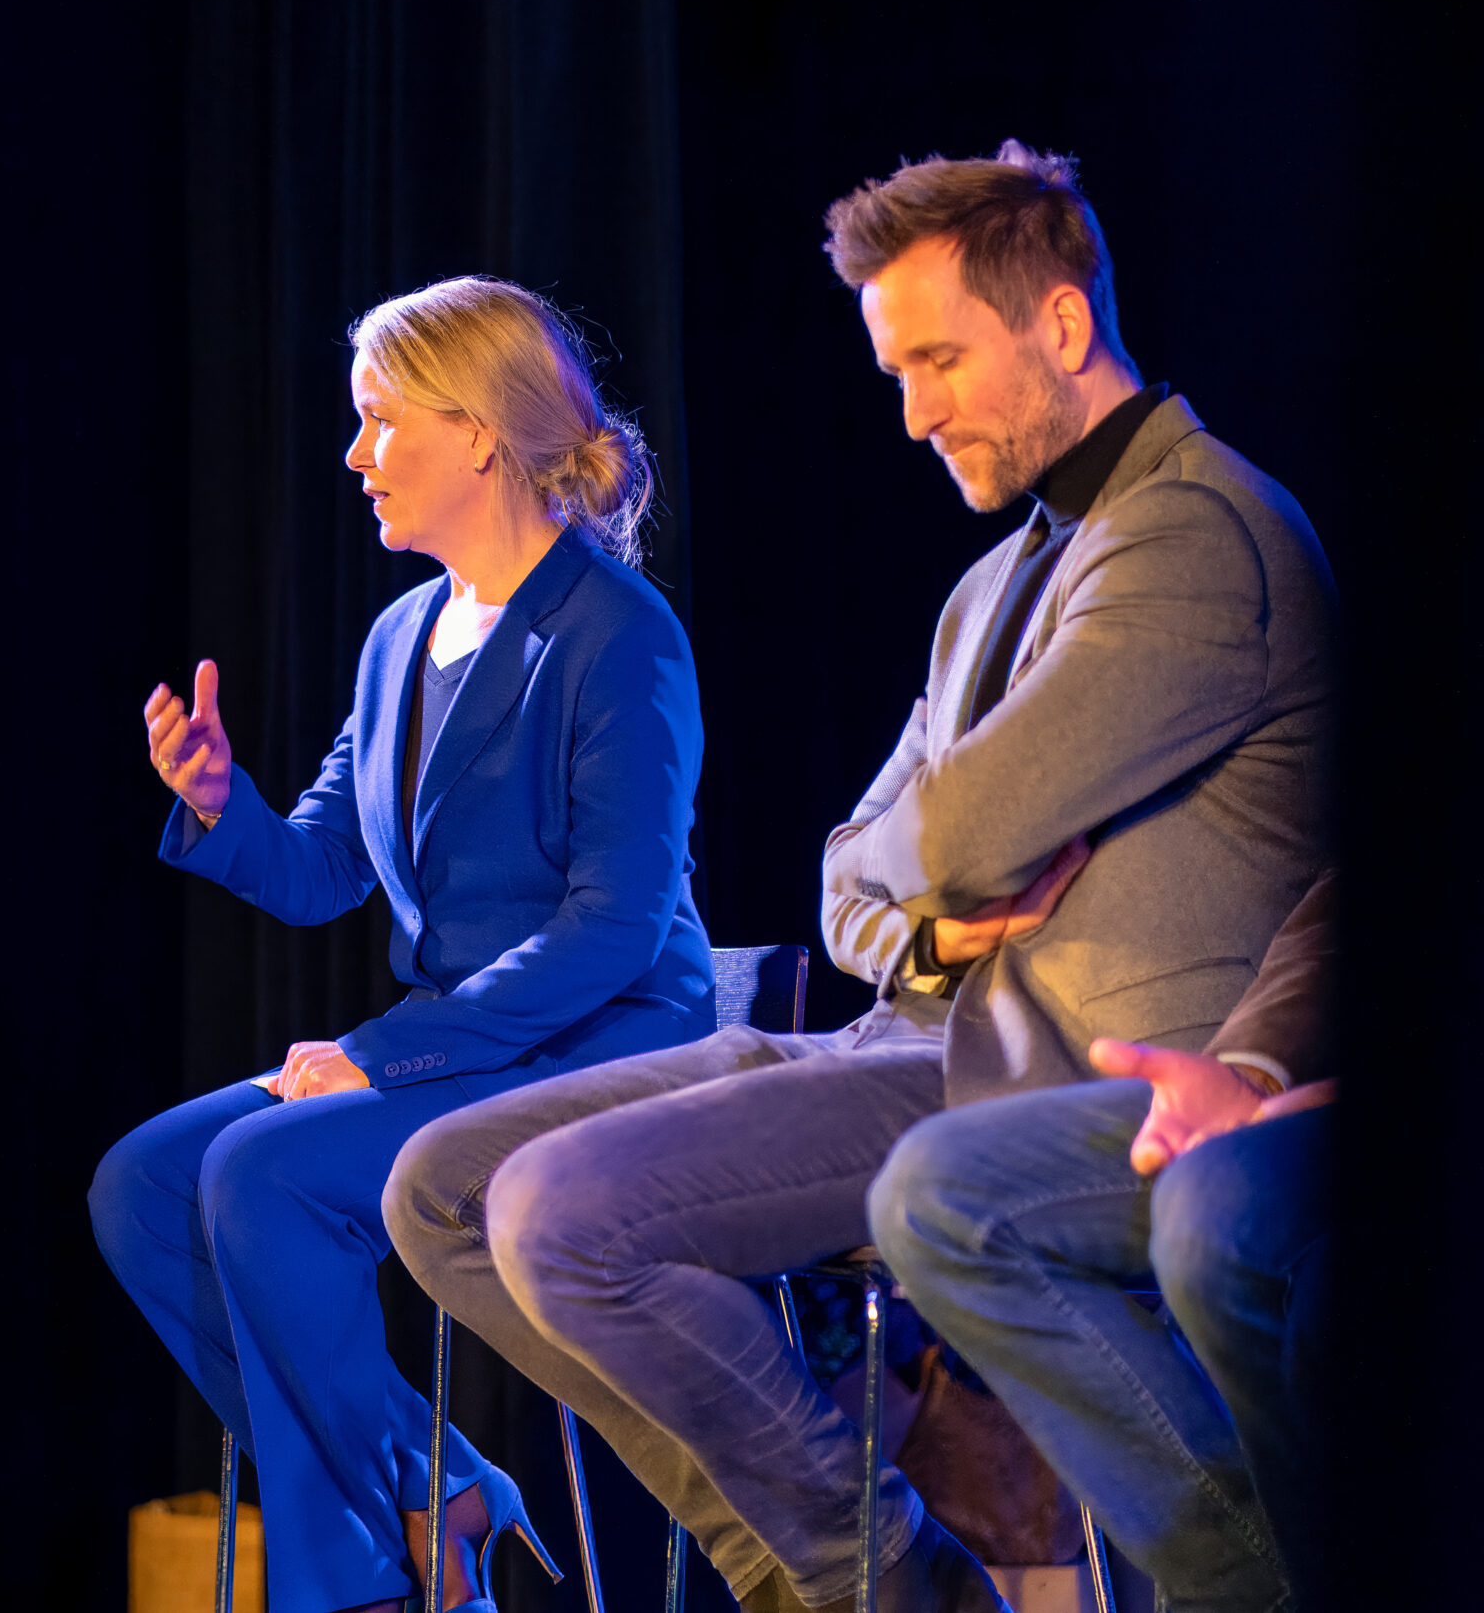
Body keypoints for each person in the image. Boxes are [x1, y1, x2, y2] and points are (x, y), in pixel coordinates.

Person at [384, 143, 1336, 1613]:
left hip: (1043, 1078)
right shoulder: (990, 584)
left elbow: (949, 824)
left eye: (942, 361)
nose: (914, 414)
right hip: (906, 1026)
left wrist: (940, 859)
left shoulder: (1195, 535)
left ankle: (878, 1588)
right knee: (443, 1186)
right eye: (898, 372)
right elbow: (854, 868)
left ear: (1064, 327)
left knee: (559, 1213)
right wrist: (940, 913)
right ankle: (859, 1580)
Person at [89, 277, 714, 1613]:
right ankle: (436, 1484)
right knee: (144, 1185)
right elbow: (320, 868)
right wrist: (218, 802)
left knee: (262, 1177)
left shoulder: (617, 636)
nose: (356, 454)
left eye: (381, 421)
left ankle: (360, 1583)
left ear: (480, 435)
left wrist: (379, 1053)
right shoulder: (399, 638)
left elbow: (613, 927)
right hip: (459, 1045)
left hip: (606, 1038)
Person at [877, 873, 1340, 1611]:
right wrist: (1252, 1069)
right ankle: (1245, 1579)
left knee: (1211, 1210)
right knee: (935, 1196)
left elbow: (955, 845)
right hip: (949, 1033)